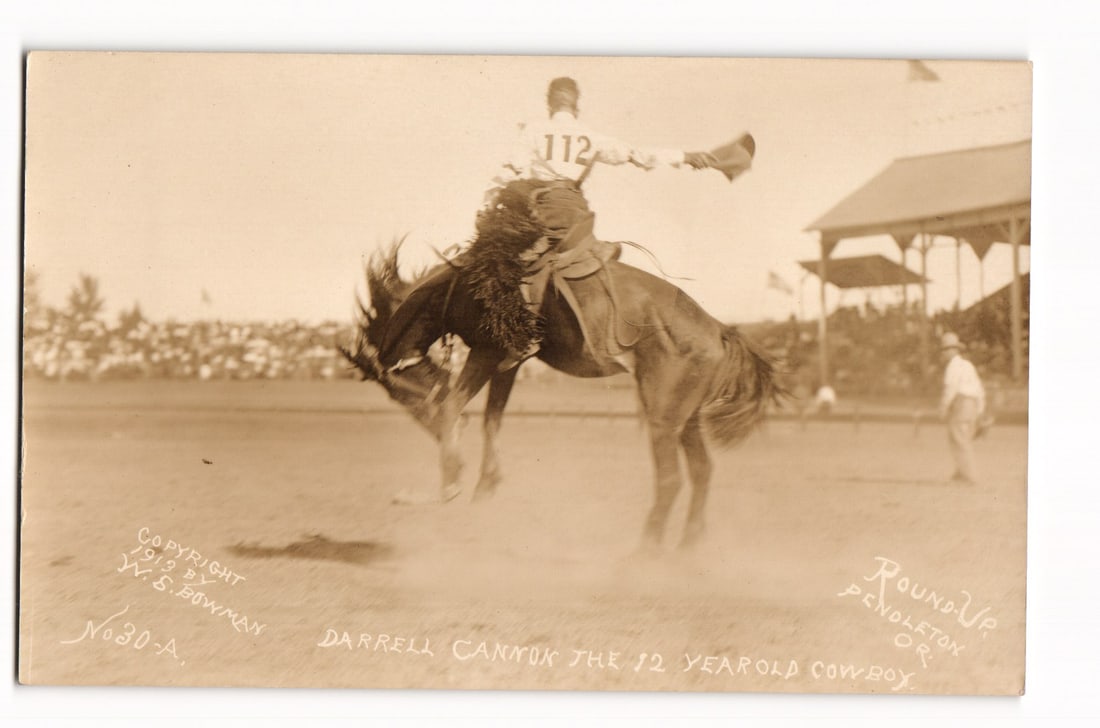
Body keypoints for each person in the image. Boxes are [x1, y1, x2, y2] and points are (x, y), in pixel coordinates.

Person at [484, 76, 718, 368]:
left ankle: (523, 336)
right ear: (576, 104)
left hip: (545, 208)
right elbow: (638, 155)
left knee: (507, 262)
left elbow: (510, 169)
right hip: (578, 215)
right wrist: (686, 156)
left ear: (549, 102)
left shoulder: (534, 130)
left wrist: (490, 199)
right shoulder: (590, 136)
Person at [938, 332, 986, 484]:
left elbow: (951, 388)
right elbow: (979, 389)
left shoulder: (953, 366)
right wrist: (980, 409)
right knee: (959, 437)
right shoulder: (967, 365)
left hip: (961, 403)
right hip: (971, 404)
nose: (944, 353)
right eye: (944, 350)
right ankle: (961, 471)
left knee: (959, 439)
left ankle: (969, 475)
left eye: (946, 350)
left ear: (954, 350)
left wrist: (943, 406)